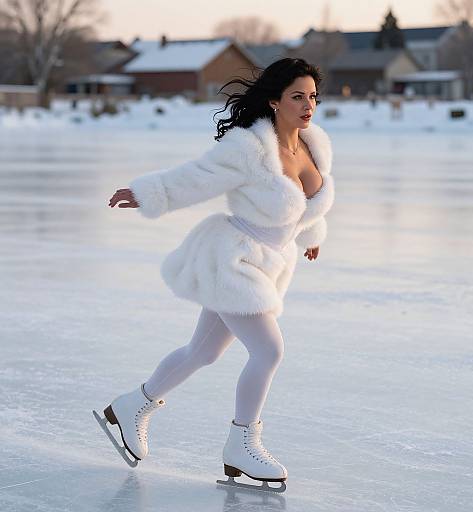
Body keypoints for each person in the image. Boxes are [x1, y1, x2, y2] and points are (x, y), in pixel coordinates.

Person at [96, 57, 335, 491]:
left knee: (202, 352)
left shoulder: (314, 145)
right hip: (231, 260)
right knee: (268, 350)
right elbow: (198, 177)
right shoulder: (250, 148)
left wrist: (311, 232)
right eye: (298, 96)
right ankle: (242, 444)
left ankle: (133, 406)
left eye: (313, 97)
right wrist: (149, 192)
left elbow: (305, 205)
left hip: (269, 263)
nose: (308, 106)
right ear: (274, 101)